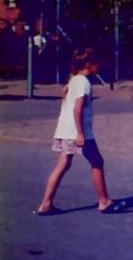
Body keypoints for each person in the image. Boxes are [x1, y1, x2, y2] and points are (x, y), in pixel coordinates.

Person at [36, 49, 119, 215]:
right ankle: (103, 201)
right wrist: (80, 133)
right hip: (79, 131)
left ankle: (45, 204)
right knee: (97, 162)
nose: (100, 66)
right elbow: (77, 110)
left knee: (62, 165)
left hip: (65, 131)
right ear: (89, 64)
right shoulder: (83, 82)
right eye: (98, 63)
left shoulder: (73, 80)